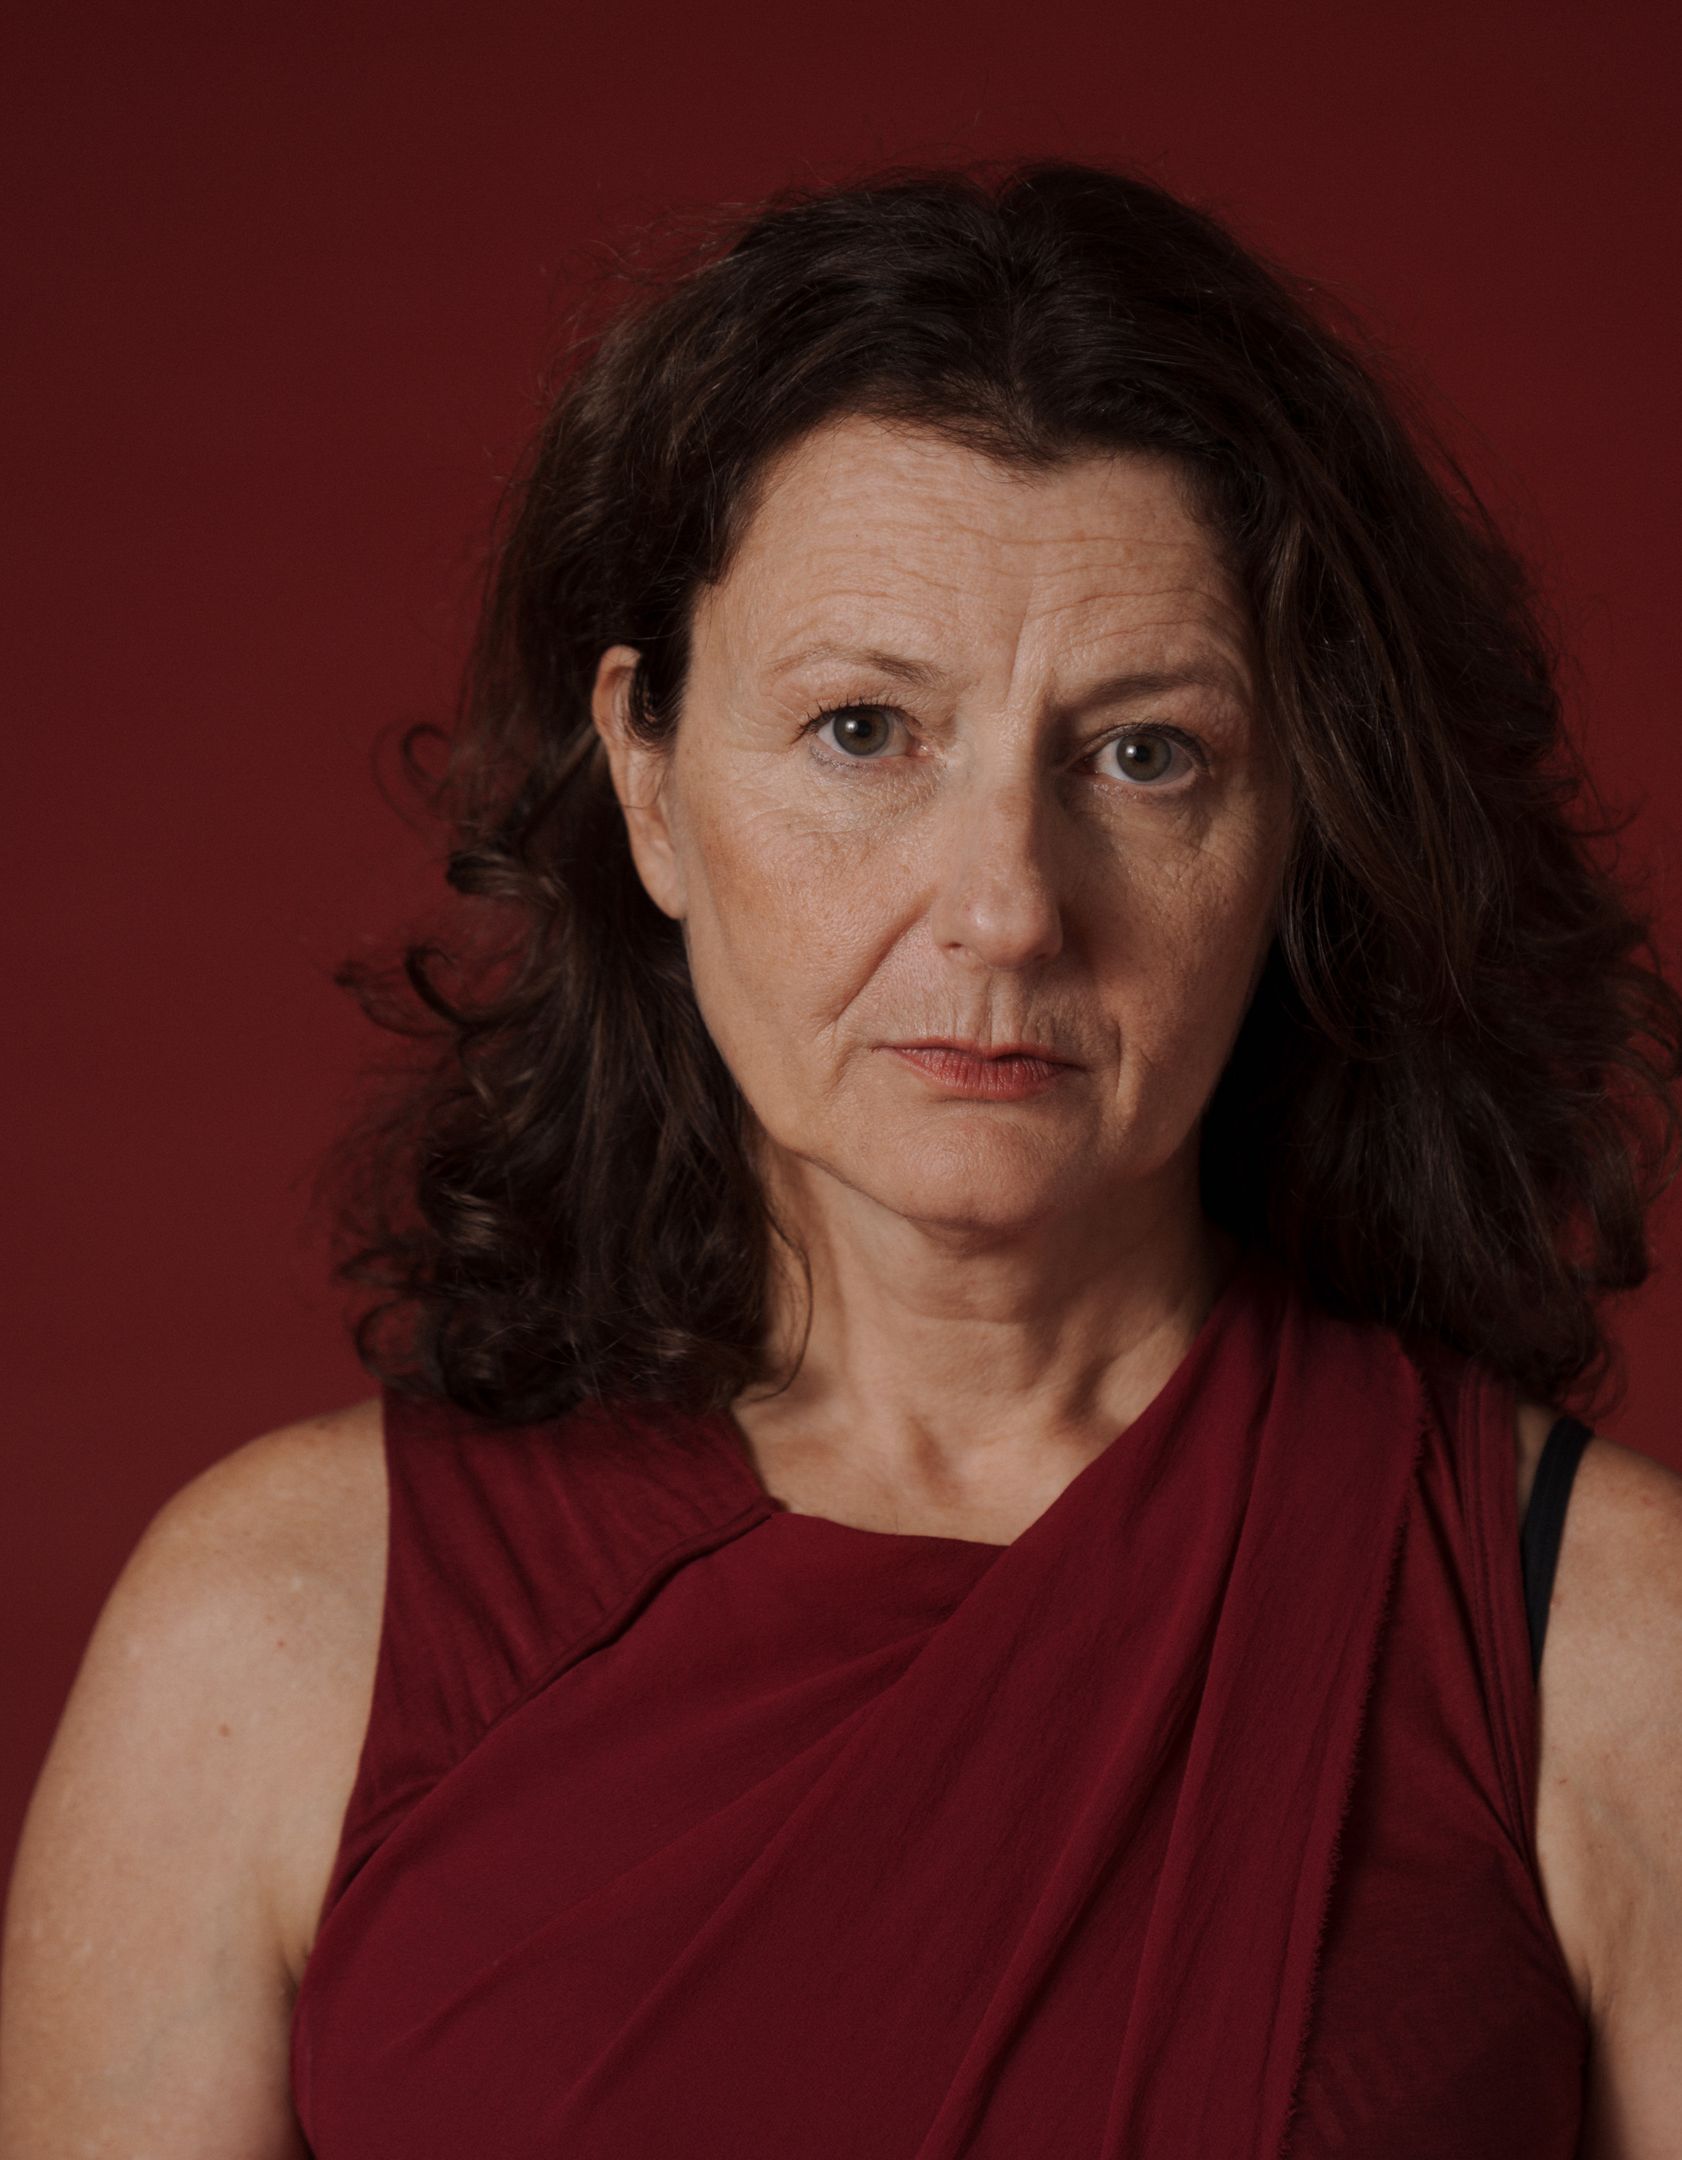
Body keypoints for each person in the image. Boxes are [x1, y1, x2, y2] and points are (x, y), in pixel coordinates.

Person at [3, 157, 1680, 2159]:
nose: (1004, 907)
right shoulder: (271, 1631)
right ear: (646, 778)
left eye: (1144, 753)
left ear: (1299, 825)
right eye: (865, 732)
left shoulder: (1613, 1649)